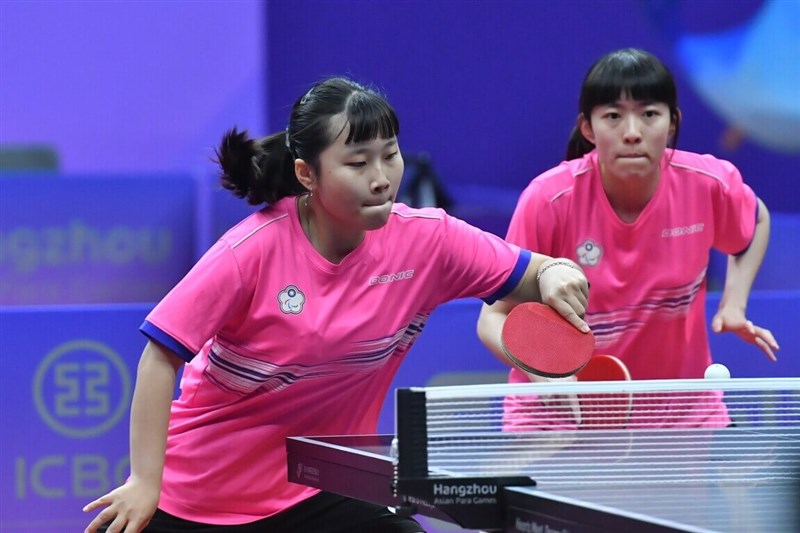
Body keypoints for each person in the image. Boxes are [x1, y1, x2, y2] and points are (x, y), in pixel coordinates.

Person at [82, 77, 590, 533]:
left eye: (390, 154)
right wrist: (146, 481)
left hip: (326, 481)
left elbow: (531, 272)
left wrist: (558, 272)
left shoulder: (429, 241)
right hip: (203, 494)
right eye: (357, 162)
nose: (381, 177)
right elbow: (160, 355)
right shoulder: (251, 251)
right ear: (307, 174)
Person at [477, 48, 779, 430]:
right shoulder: (549, 200)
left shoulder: (707, 184)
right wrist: (549, 378)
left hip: (680, 417)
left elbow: (757, 218)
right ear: (588, 127)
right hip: (559, 418)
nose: (633, 132)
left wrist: (734, 305)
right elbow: (493, 318)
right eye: (613, 116)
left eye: (649, 114)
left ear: (672, 123)